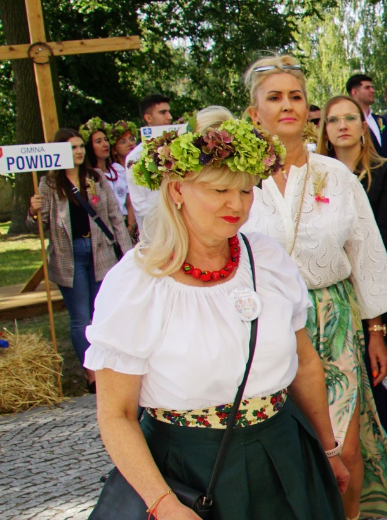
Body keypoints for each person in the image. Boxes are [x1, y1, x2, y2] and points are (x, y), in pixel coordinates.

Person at [86, 118, 347, 519]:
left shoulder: (268, 258)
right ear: (177, 190)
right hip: (188, 466)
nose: (237, 204)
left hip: (283, 451)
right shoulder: (136, 282)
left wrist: (328, 449)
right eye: (219, 190)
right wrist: (163, 503)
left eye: (245, 190)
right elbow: (116, 414)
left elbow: (305, 363)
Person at [241, 55, 387, 519]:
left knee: (344, 446)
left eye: (295, 96)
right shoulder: (237, 181)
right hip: (262, 328)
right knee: (277, 449)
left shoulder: (336, 176)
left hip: (333, 321)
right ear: (254, 113)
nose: (287, 106)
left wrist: (375, 328)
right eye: (274, 98)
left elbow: (366, 254)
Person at [318, 94, 387, 477]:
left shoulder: (385, 172)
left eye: (351, 118)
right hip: (332, 290)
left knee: (365, 370)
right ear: (325, 130)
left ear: (363, 127)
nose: (342, 125)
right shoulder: (315, 177)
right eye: (333, 120)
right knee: (351, 374)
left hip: (378, 288)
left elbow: (384, 232)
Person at [28, 128, 133, 391]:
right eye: (70, 148)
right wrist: (34, 211)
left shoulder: (95, 177)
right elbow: (42, 225)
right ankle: (92, 374)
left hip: (100, 251)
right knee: (80, 317)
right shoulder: (49, 184)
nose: (77, 152)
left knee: (103, 312)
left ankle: (110, 366)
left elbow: (113, 217)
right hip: (69, 254)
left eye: (79, 146)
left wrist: (128, 253)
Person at [125, 93, 174, 229]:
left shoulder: (177, 148)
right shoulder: (134, 157)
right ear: (148, 118)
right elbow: (139, 203)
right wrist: (168, 222)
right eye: (163, 112)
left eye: (169, 112)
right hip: (155, 230)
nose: (169, 117)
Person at [347, 74, 387, 159]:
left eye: (372, 87)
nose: (373, 90)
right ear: (354, 92)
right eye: (367, 87)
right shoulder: (349, 122)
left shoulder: (381, 120)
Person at [108, 120, 139, 235]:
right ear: (114, 150)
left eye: (131, 139)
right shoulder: (114, 171)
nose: (129, 143)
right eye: (122, 141)